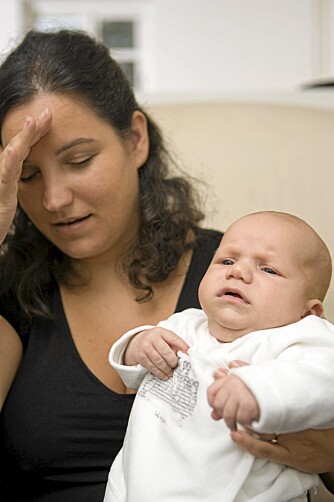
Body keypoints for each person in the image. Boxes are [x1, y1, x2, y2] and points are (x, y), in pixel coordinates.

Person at [0, 29, 223, 501]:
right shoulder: (13, 292)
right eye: (28, 175)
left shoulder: (236, 272)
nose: (54, 199)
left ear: (136, 139)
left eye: (79, 160)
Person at [104, 211, 334, 502]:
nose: (237, 272)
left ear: (308, 312)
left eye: (269, 270)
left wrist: (259, 388)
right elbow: (134, 372)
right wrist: (138, 345)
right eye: (227, 260)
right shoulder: (185, 324)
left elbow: (324, 380)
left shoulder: (298, 339)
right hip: (137, 486)